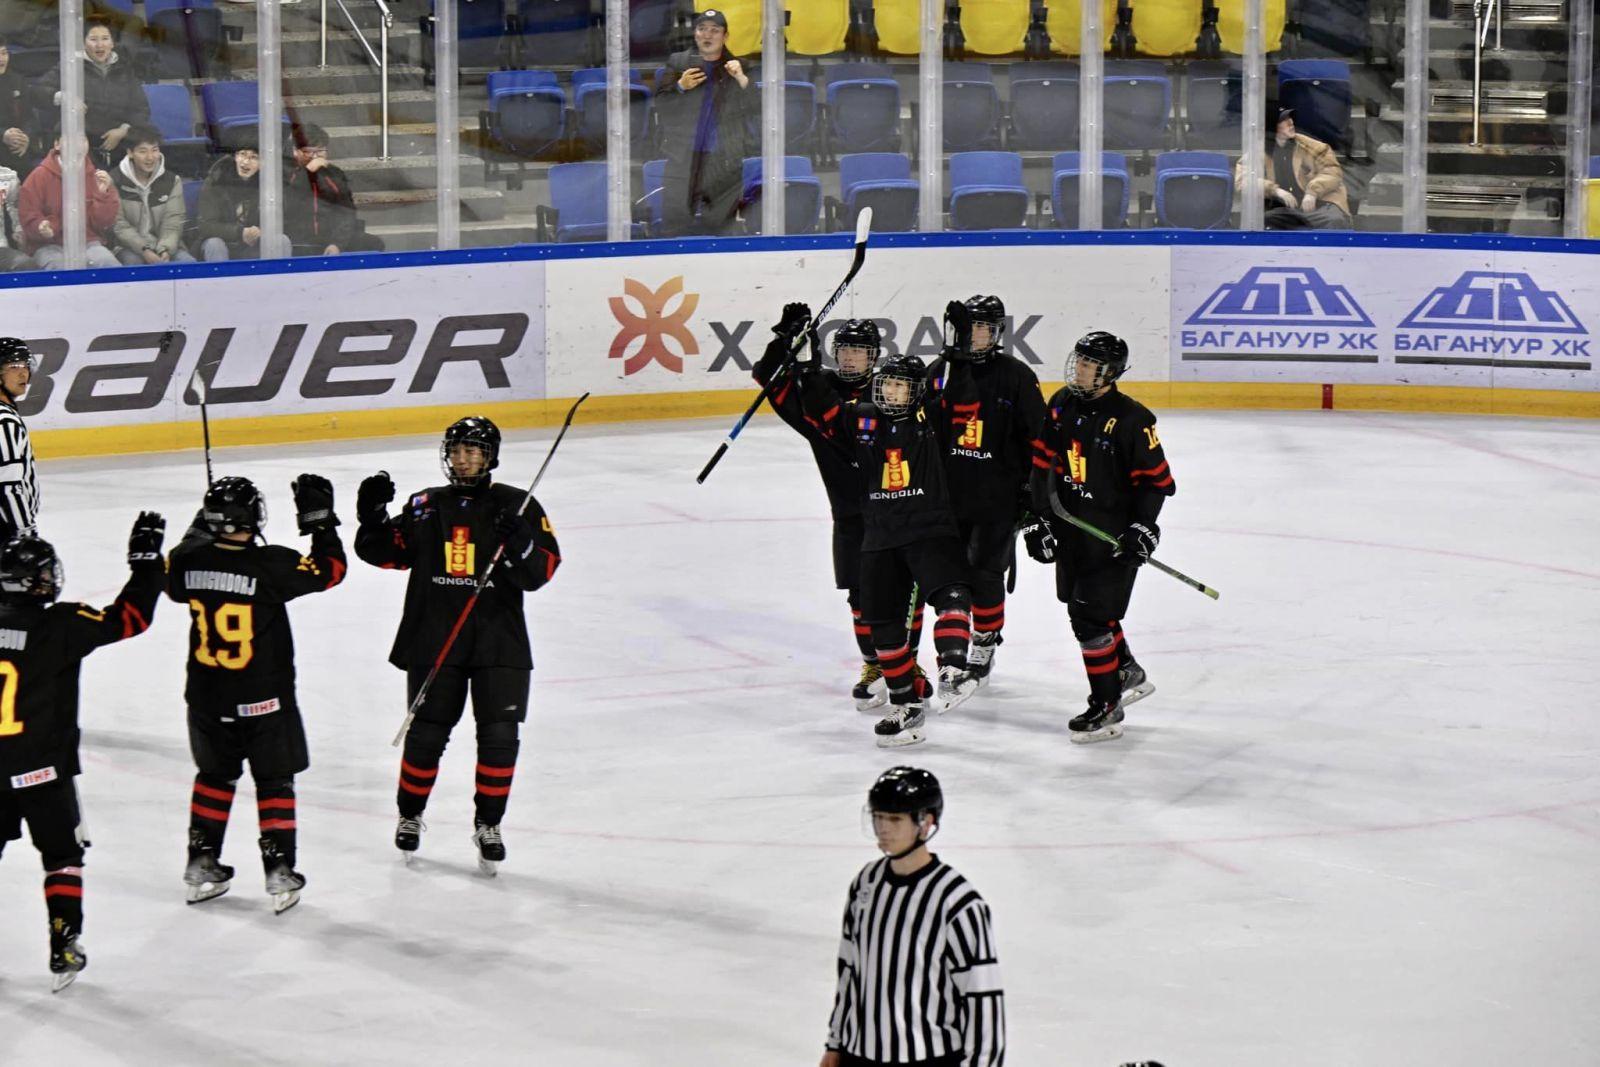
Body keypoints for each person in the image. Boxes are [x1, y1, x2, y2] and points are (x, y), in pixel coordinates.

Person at [354, 416, 561, 874]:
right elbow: (386, 553)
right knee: (426, 735)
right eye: (457, 450)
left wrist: (522, 542)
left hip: (499, 642)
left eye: (474, 451)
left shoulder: (518, 504)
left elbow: (540, 574)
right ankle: (410, 813)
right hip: (436, 636)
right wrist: (370, 517)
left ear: (491, 456)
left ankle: (489, 824)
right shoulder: (426, 504)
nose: (463, 459)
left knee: (500, 738)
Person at [793, 316, 979, 747]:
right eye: (886, 384)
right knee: (882, 625)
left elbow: (961, 394)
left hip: (928, 527)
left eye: (898, 385)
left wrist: (958, 354)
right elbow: (823, 413)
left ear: (914, 391)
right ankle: (906, 706)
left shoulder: (933, 419)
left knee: (950, 592)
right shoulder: (863, 420)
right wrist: (806, 369)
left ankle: (953, 668)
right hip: (879, 534)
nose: (888, 391)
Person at [165, 474, 346, 913]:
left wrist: (199, 528)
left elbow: (172, 578)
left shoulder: (188, 564)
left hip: (207, 698)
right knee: (274, 779)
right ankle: (279, 867)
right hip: (265, 699)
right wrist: (319, 521)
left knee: (214, 777)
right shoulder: (272, 565)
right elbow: (331, 570)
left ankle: (202, 858)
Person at [0, 516, 166, 991]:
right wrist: (147, 565)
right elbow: (131, 618)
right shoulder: (64, 624)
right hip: (42, 772)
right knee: (62, 855)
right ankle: (64, 940)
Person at [753, 309, 930, 711]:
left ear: (875, 356)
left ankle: (908, 664)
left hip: (896, 510)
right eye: (845, 350)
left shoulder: (890, 389)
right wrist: (785, 338)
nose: (851, 359)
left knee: (906, 595)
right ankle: (874, 665)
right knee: (861, 597)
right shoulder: (819, 391)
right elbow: (769, 377)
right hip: (850, 514)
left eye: (860, 352)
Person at [1029, 331, 1176, 743]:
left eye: (1089, 364)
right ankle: (1124, 667)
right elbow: (1042, 464)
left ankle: (1107, 704)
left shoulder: (1132, 419)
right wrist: (1038, 518)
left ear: (1109, 373)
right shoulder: (1061, 403)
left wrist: (1143, 528)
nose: (1079, 368)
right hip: (1071, 526)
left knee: (1089, 617)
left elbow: (1156, 483)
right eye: (1079, 360)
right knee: (1083, 606)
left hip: (1111, 537)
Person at [822, 766, 1005, 1067]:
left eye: (894, 819)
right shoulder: (865, 884)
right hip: (858, 1055)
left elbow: (982, 999)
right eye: (878, 817)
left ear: (925, 823)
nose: (883, 828)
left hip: (928, 1058)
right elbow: (849, 969)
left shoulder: (958, 903)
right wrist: (835, 1042)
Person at [925, 296, 1046, 690]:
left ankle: (985, 640)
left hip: (997, 497)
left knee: (985, 573)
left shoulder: (1016, 376)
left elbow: (1040, 439)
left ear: (997, 333)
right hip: (949, 497)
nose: (977, 335)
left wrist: (1032, 493)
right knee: (949, 575)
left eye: (984, 327)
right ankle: (953, 648)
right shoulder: (940, 371)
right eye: (971, 327)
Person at [653, 8, 755, 237]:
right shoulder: (678, 62)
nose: (707, 35)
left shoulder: (739, 66)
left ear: (725, 36)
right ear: (695, 34)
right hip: (683, 158)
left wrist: (741, 78)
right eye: (702, 29)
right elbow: (660, 105)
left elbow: (757, 107)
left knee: (721, 226)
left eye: (714, 30)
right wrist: (680, 87)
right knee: (675, 223)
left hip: (724, 160)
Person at [43, 18, 150, 167]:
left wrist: (123, 130)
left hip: (121, 140)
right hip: (83, 143)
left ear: (112, 43)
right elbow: (38, 91)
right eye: (93, 39)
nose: (100, 45)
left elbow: (141, 108)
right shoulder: (70, 66)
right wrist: (65, 97)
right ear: (84, 43)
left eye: (105, 39)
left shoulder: (124, 69)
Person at [1236, 105, 1352, 231]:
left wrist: (1312, 192)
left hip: (1320, 205)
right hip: (1282, 210)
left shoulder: (1314, 147)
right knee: (1264, 220)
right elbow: (1243, 181)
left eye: (1290, 119)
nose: (1291, 123)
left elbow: (1332, 172)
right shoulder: (1257, 152)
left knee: (1335, 220)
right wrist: (1274, 190)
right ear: (1272, 127)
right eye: (1284, 121)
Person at [17, 130, 121, 269]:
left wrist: (103, 195)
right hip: (47, 245)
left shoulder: (97, 177)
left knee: (109, 265)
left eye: (82, 140)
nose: (77, 145)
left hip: (88, 242)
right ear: (57, 145)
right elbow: (28, 214)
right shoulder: (38, 176)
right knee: (59, 267)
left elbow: (104, 223)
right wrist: (40, 226)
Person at [284, 122, 383, 256]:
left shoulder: (334, 174)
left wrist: (337, 244)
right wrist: (308, 173)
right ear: (295, 151)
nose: (315, 157)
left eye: (320, 151)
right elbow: (287, 205)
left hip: (330, 239)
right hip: (298, 240)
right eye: (308, 152)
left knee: (373, 243)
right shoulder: (286, 173)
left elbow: (347, 212)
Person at [110, 123, 193, 266]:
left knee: (188, 263)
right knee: (134, 264)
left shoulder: (172, 181)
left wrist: (165, 249)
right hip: (129, 248)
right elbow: (119, 224)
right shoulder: (114, 180)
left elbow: (173, 221)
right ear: (130, 152)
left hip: (166, 246)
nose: (150, 157)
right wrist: (144, 250)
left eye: (154, 150)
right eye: (143, 151)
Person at [195, 126, 262, 262]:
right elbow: (205, 226)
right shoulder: (215, 180)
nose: (245, 162)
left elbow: (286, 219)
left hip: (254, 245)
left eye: (253, 157)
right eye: (242, 154)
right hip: (222, 242)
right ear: (235, 156)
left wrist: (262, 231)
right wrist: (240, 233)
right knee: (215, 244)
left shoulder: (270, 183)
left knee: (279, 240)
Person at [0, 338, 38, 539]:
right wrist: (26, 535)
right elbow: (7, 488)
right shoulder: (5, 421)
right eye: (14, 366)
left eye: (25, 365)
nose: (24, 372)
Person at [0, 40, 41, 178]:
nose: (1, 59)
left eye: (4, 53)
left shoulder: (17, 81)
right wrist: (3, 135)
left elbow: (30, 118)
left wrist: (26, 138)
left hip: (17, 150)